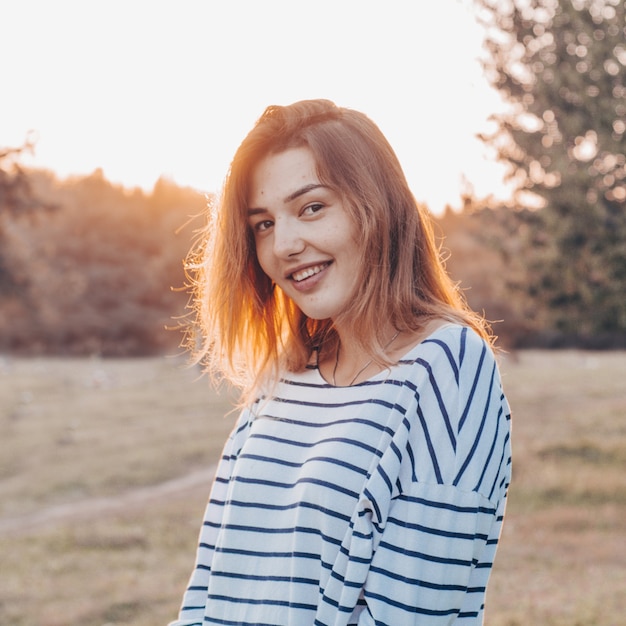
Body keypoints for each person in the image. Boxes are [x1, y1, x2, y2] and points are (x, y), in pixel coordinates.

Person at [170, 99, 512, 626]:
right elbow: (208, 594)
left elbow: (413, 615)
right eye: (262, 224)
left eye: (311, 208)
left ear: (378, 208)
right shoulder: (283, 374)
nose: (283, 245)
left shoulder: (448, 366)